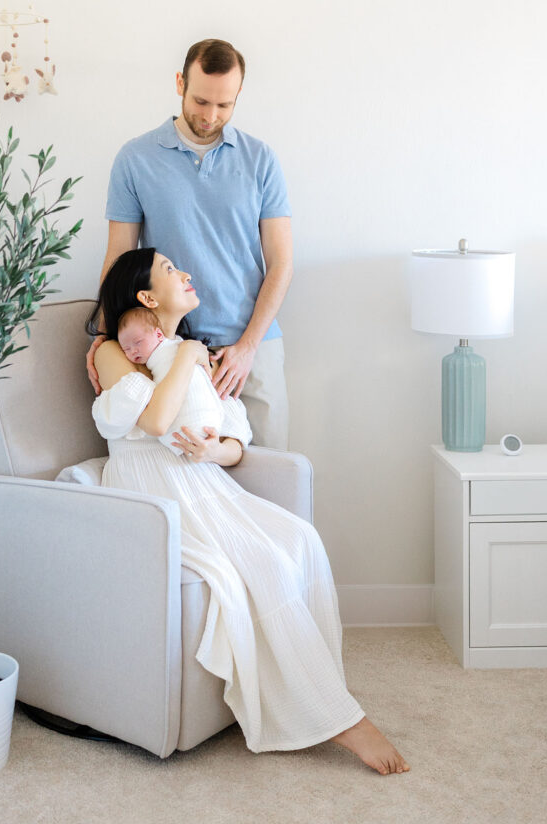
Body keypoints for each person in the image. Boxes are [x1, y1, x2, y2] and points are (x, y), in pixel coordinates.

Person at [87, 248, 410, 775]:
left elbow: (234, 440)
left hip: (202, 479)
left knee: (299, 539)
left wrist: (213, 450)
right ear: (146, 296)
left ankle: (316, 690)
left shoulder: (199, 352)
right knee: (260, 566)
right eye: (171, 270)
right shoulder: (113, 351)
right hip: (153, 490)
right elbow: (155, 420)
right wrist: (188, 356)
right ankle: (344, 721)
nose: (187, 274)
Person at [87, 38, 293, 450]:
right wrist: (105, 333)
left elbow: (281, 262)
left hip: (252, 351)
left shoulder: (261, 160)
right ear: (180, 82)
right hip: (168, 349)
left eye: (224, 105)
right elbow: (120, 257)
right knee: (184, 478)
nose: (210, 115)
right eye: (201, 101)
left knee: (273, 477)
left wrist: (247, 347)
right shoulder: (135, 159)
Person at [116, 305, 251, 456]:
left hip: (208, 428)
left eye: (138, 342)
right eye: (126, 349)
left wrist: (218, 451)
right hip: (179, 438)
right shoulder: (188, 351)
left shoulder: (191, 350)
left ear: (159, 335)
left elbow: (234, 438)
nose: (133, 351)